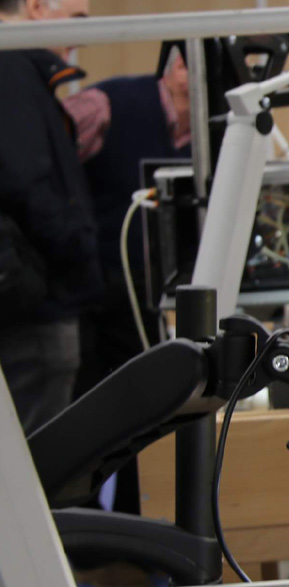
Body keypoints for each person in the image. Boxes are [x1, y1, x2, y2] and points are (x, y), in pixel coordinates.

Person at [62, 46, 191, 513]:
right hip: (85, 296)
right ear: (179, 67)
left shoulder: (215, 136)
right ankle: (76, 528)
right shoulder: (108, 105)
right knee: (80, 419)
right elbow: (45, 165)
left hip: (150, 303)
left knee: (146, 416)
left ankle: (136, 523)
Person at [0, 0, 101, 433]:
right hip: (36, 310)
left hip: (29, 300)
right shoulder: (12, 69)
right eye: (77, 19)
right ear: (37, 6)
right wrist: (78, 252)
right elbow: (27, 181)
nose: (81, 38)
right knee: (39, 461)